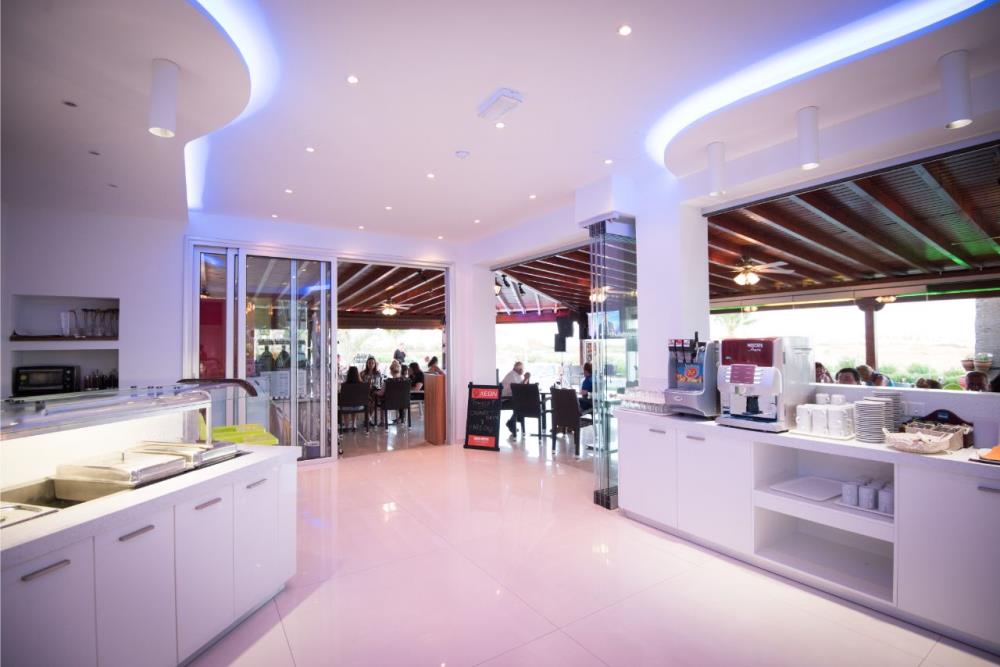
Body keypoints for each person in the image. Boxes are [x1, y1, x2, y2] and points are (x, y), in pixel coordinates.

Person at [501, 362, 527, 435]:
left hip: (511, 398)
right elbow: (518, 389)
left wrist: (526, 379)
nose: (523, 370)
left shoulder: (517, 375)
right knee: (521, 404)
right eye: (522, 369)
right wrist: (525, 378)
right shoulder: (512, 375)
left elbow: (522, 387)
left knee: (523, 402)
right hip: (504, 399)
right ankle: (512, 422)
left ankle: (513, 421)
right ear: (518, 369)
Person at [360, 356, 384, 425]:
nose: (371, 364)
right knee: (368, 400)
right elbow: (360, 384)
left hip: (375, 391)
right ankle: (369, 418)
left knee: (373, 399)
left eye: (372, 363)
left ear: (375, 364)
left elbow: (380, 384)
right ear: (367, 364)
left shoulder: (378, 373)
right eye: (369, 363)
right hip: (365, 392)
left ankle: (369, 418)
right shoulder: (363, 373)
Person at [341, 366, 364, 431]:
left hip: (346, 406)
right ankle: (354, 424)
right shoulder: (361, 384)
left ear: (348, 374)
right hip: (359, 406)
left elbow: (342, 396)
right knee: (354, 404)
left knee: (346, 406)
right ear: (357, 374)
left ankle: (346, 425)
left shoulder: (344, 385)